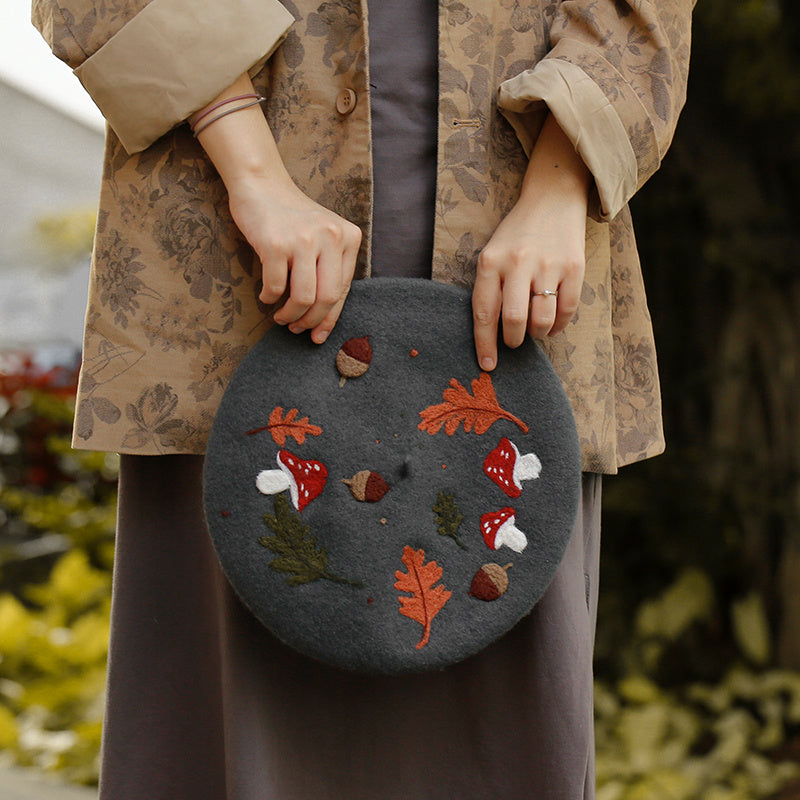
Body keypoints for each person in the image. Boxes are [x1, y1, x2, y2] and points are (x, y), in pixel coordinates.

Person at [33, 0, 693, 797]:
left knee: (505, 708)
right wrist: (252, 173)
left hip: (514, 227)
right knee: (223, 705)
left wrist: (559, 189)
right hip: (237, 235)